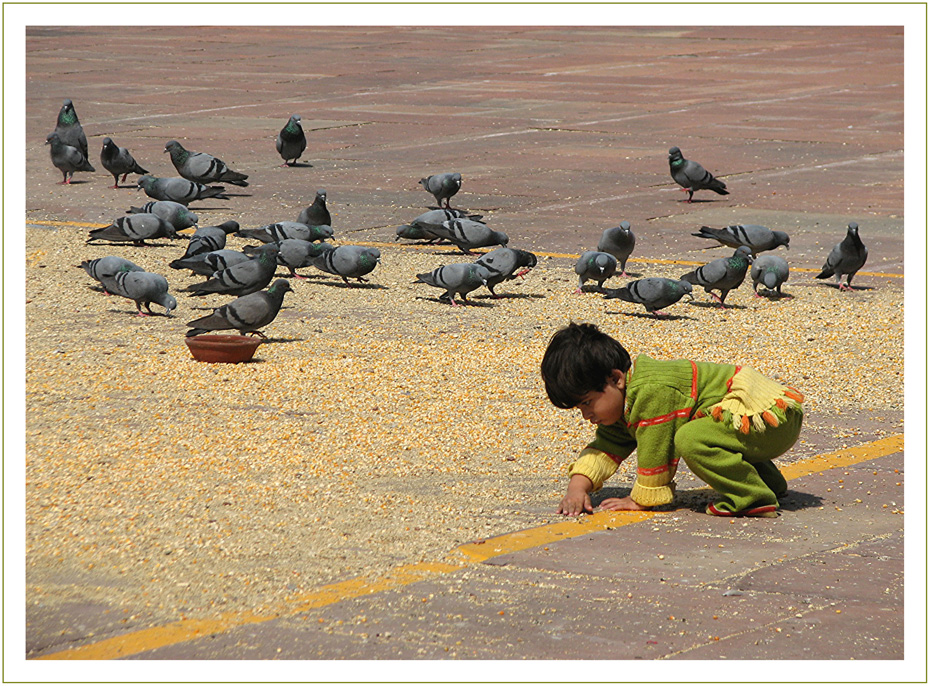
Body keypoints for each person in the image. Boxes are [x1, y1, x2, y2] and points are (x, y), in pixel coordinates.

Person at [540, 322, 804, 517]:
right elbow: (604, 449)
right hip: (767, 421)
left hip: (769, 417)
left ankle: (752, 498)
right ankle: (769, 484)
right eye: (579, 408)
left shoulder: (651, 392)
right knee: (710, 431)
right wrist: (577, 488)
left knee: (690, 438)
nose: (586, 415)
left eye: (587, 402)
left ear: (616, 379)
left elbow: (658, 451)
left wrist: (642, 500)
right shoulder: (624, 404)